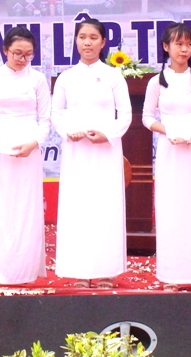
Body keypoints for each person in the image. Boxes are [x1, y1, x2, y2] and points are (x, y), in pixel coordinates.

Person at [51, 17, 131, 290]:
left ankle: (107, 270)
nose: (87, 42)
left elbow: (126, 114)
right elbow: (56, 113)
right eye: (82, 37)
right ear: (75, 41)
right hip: (77, 153)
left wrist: (108, 134)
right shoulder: (66, 77)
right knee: (79, 207)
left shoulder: (113, 76)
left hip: (105, 152)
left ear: (103, 42)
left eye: (93, 38)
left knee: (106, 206)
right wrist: (68, 132)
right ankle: (81, 271)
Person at [0, 26, 50, 285]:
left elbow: (45, 119)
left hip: (28, 149)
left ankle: (24, 269)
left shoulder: (37, 79)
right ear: (5, 50)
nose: (22, 59)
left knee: (25, 207)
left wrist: (35, 143)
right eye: (17, 53)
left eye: (28, 54)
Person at [142, 23, 191, 292]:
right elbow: (147, 117)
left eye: (189, 44)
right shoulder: (156, 82)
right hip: (169, 151)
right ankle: (171, 274)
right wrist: (168, 131)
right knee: (170, 208)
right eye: (178, 44)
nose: (184, 49)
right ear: (166, 46)